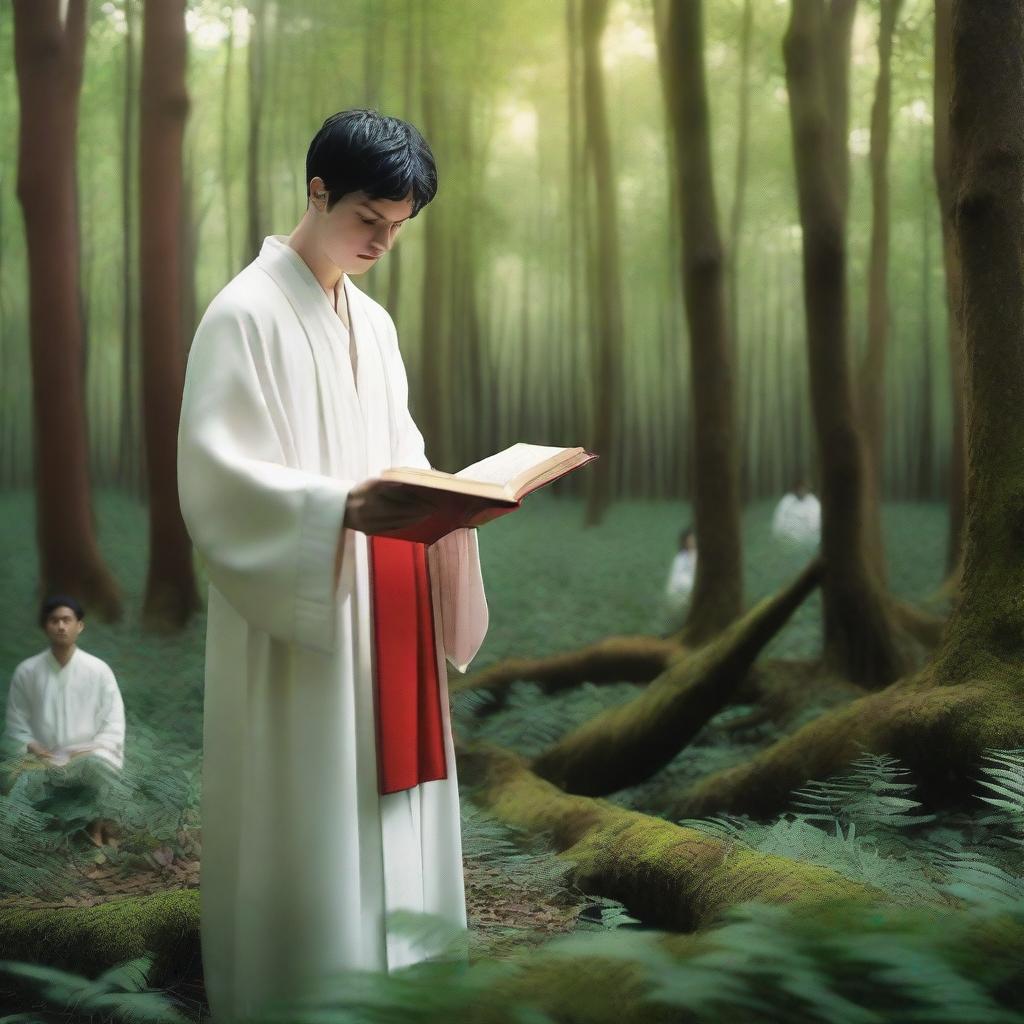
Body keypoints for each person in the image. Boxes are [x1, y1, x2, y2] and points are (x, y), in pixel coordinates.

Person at [176, 109, 490, 1020]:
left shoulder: (378, 327)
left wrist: (458, 502)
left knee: (396, 795)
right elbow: (218, 478)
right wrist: (333, 509)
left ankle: (410, 981)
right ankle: (308, 989)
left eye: (398, 229)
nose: (383, 243)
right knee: (314, 799)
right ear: (318, 191)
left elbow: (403, 452)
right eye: (369, 222)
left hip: (389, 602)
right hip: (305, 604)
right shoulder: (243, 314)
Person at [4, 595, 125, 848]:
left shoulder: (98, 670)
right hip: (43, 757)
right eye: (54, 620)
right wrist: (32, 746)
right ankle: (45, 840)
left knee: (97, 767)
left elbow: (114, 722)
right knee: (23, 784)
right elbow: (15, 726)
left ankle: (96, 828)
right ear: (45, 626)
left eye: (67, 620)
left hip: (89, 755)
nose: (61, 626)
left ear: (79, 625)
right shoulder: (28, 671)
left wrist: (92, 747)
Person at [662, 527, 697, 630]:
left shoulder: (701, 556)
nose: (692, 542)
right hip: (680, 595)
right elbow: (674, 579)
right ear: (685, 541)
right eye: (690, 539)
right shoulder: (680, 558)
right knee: (673, 619)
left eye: (694, 538)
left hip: (693, 594)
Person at [771, 478, 821, 546]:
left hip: (806, 538)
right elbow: (779, 518)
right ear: (794, 490)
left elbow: (814, 525)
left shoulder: (813, 502)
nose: (801, 491)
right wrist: (777, 536)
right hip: (788, 537)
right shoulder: (787, 499)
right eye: (799, 489)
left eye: (803, 489)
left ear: (807, 490)